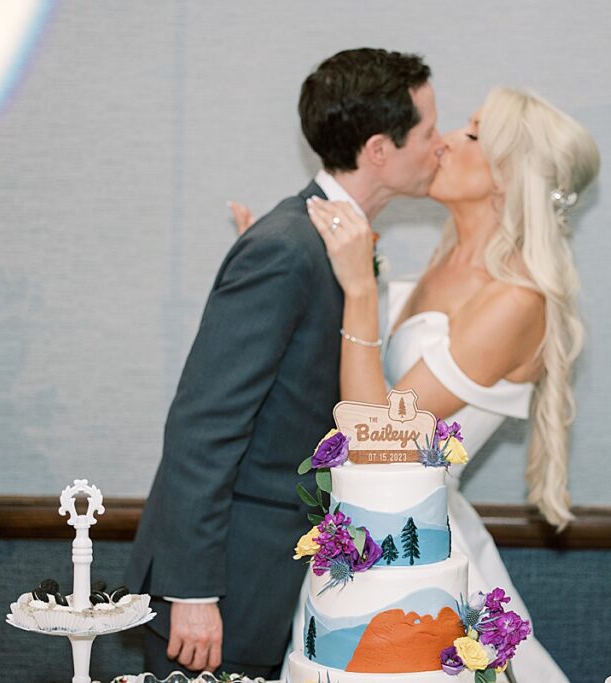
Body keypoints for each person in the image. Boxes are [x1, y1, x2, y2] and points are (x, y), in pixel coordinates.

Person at [125, 47, 444, 680]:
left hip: (287, 569)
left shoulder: (332, 242)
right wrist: (193, 592)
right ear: (379, 150)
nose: (440, 146)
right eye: (430, 132)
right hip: (232, 579)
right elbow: (203, 423)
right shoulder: (287, 249)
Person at [300, 86, 600, 682]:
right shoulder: (446, 262)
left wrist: (361, 289)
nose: (442, 142)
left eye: (470, 133)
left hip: (422, 548)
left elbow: (380, 438)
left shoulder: (514, 300)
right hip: (368, 539)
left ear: (506, 175)